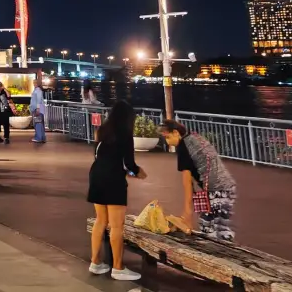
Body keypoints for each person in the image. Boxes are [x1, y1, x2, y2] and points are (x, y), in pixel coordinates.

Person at [86, 100, 146, 281]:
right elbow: (129, 163)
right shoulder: (125, 134)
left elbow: (99, 155)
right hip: (113, 179)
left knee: (100, 220)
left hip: (96, 175)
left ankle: (95, 262)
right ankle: (118, 268)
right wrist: (138, 172)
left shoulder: (102, 131)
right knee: (117, 225)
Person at [158, 120, 236, 241]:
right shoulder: (194, 136)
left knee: (209, 229)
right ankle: (226, 246)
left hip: (215, 190)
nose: (167, 142)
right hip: (226, 186)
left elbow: (187, 182)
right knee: (221, 228)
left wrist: (187, 212)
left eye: (168, 137)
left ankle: (218, 251)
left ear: (176, 132)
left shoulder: (183, 147)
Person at [29, 77, 47, 144]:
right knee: (40, 123)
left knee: (38, 123)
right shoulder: (37, 90)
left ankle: (38, 138)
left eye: (35, 82)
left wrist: (38, 108)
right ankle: (42, 137)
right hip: (39, 108)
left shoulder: (38, 90)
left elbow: (39, 100)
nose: (34, 84)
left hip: (38, 108)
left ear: (38, 83)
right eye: (33, 82)